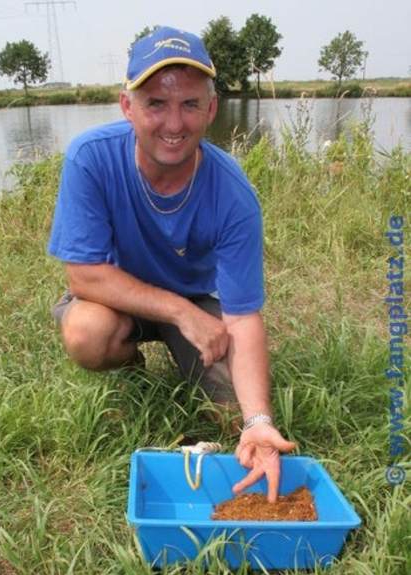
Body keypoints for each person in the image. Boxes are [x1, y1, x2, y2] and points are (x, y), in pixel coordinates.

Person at [48, 26, 295, 502]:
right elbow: (83, 274)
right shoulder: (90, 159)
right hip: (115, 294)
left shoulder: (233, 192)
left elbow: (242, 314)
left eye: (189, 104)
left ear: (211, 109)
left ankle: (206, 375)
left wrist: (259, 421)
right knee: (88, 334)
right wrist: (182, 314)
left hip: (195, 297)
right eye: (156, 104)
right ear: (127, 107)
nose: (174, 123)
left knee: (231, 414)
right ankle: (132, 365)